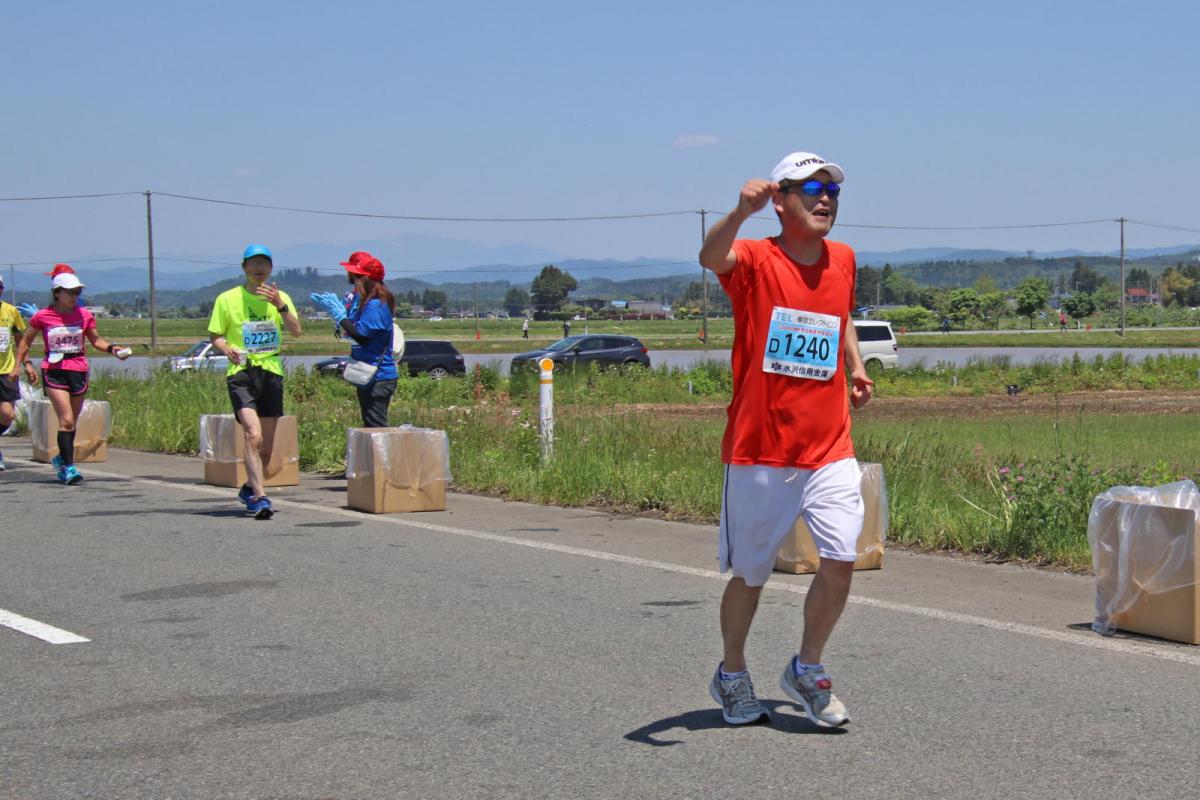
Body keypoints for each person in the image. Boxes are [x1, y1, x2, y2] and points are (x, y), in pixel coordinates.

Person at [698, 151, 873, 728]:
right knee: (751, 575)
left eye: (833, 191)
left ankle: (807, 667)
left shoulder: (843, 259)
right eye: (811, 189)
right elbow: (709, 256)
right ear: (781, 199)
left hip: (830, 448)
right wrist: (738, 213)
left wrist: (854, 366)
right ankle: (731, 673)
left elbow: (841, 316)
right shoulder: (753, 256)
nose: (826, 199)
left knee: (842, 558)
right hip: (760, 451)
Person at [207, 245, 302, 519]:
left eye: (264, 264)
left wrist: (280, 306)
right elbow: (216, 335)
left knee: (267, 448)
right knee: (253, 434)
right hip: (241, 372)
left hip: (271, 370)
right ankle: (261, 497)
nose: (259, 269)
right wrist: (227, 350)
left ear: (271, 268)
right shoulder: (227, 299)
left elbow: (296, 331)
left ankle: (249, 488)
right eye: (253, 263)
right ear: (244, 267)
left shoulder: (280, 297)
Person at [14, 267, 132, 483]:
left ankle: (61, 458)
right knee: (66, 420)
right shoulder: (43, 316)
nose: (74, 296)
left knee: (72, 423)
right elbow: (25, 341)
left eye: (77, 292)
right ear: (57, 292)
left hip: (78, 370)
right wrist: (21, 366)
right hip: (54, 371)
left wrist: (113, 348)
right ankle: (68, 468)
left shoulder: (84, 315)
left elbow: (96, 340)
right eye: (70, 292)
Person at [310, 251, 399, 428]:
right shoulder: (366, 304)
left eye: (355, 277)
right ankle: (371, 456)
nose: (352, 281)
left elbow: (362, 337)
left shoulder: (376, 306)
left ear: (364, 279)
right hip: (368, 373)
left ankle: (382, 456)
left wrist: (340, 317)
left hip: (378, 376)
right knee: (370, 424)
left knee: (376, 427)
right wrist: (344, 316)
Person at [0, 276, 29, 471]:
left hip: (6, 371)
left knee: (7, 415)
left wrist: (25, 364)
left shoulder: (11, 311)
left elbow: (21, 341)